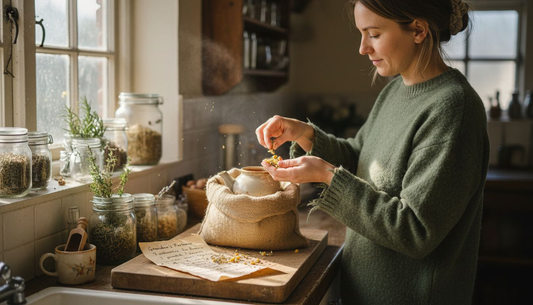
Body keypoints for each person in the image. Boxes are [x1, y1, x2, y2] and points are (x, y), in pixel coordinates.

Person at [256, 0, 489, 304]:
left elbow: (414, 230)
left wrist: (326, 175)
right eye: (361, 34)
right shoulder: (395, 90)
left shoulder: (454, 109)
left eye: (374, 34)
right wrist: (304, 133)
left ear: (418, 30)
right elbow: (360, 157)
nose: (363, 48)